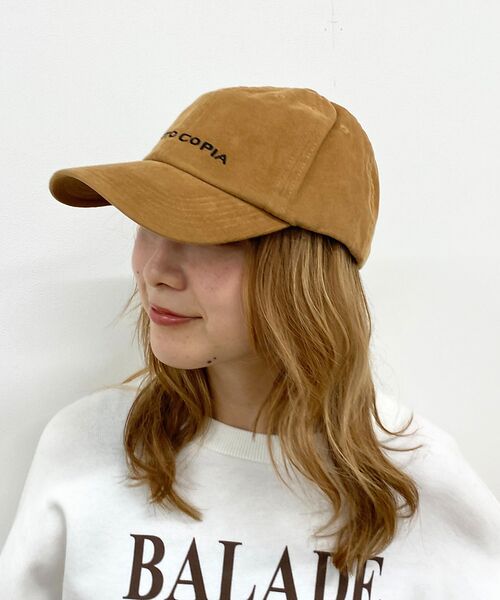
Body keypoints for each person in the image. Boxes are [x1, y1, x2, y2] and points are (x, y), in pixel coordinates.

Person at [1, 85, 499, 599]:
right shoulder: (86, 443)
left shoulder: (419, 482)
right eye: (147, 225)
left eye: (204, 234)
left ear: (303, 272)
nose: (155, 270)